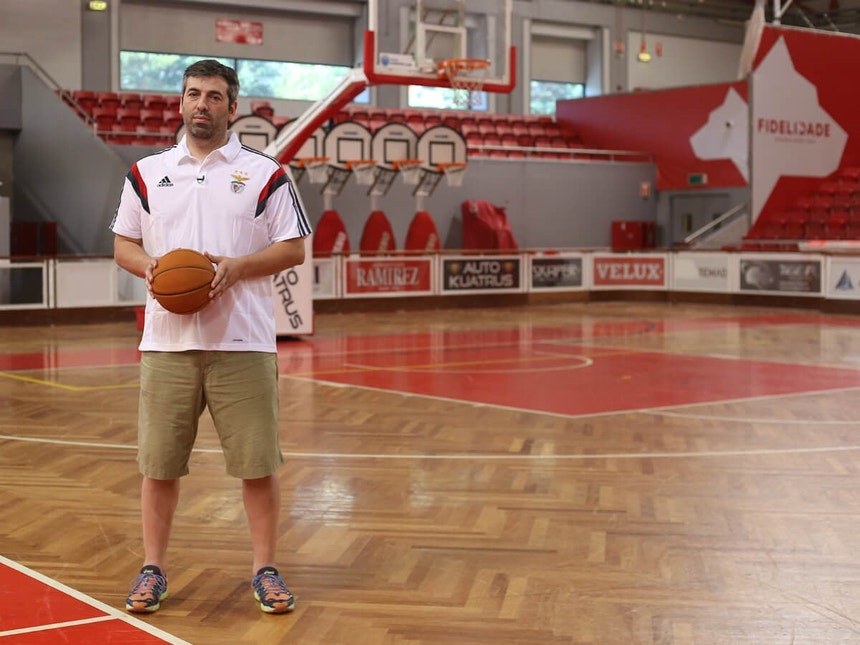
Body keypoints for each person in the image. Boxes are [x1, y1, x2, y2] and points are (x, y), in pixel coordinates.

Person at [110, 59, 311, 615]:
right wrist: (149, 268)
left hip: (242, 344)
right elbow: (123, 243)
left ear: (232, 106)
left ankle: (265, 569)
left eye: (214, 96)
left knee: (257, 465)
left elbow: (293, 247)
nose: (202, 104)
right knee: (159, 466)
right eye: (194, 94)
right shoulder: (146, 172)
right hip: (166, 345)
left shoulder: (266, 173)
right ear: (181, 102)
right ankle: (152, 568)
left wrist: (239, 267)